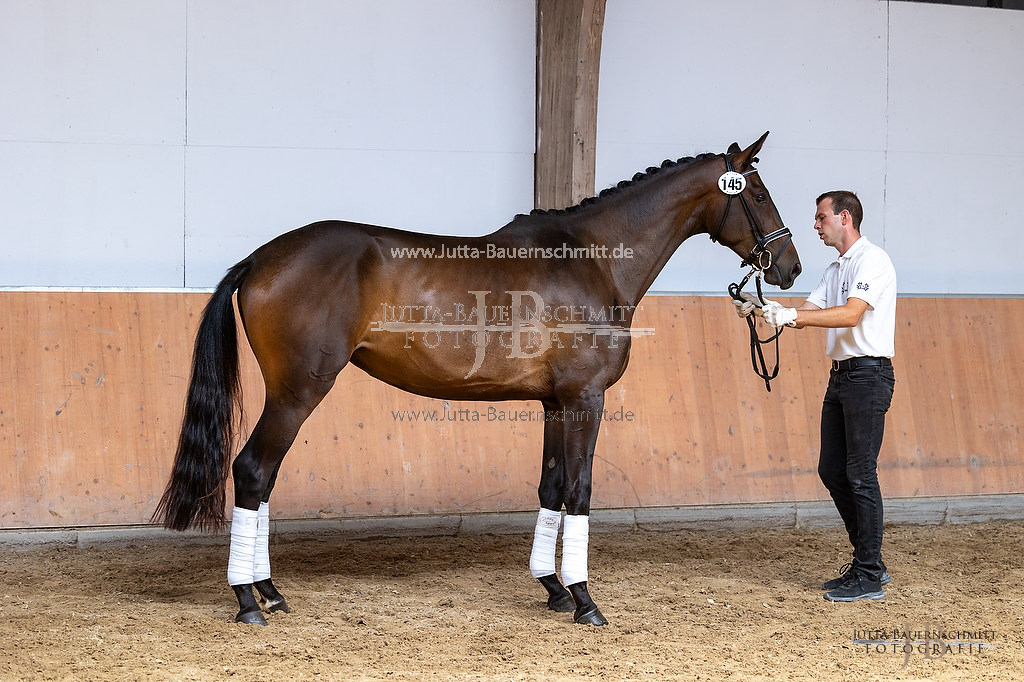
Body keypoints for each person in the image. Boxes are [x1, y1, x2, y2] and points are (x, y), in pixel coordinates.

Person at [736, 190, 897, 602]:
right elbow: (808, 312)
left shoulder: (871, 261)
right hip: (843, 376)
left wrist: (791, 315)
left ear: (845, 217)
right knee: (832, 470)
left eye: (821, 217)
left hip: (867, 374)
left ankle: (869, 571)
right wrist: (763, 308)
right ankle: (869, 562)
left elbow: (850, 314)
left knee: (860, 473)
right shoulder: (836, 268)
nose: (815, 224)